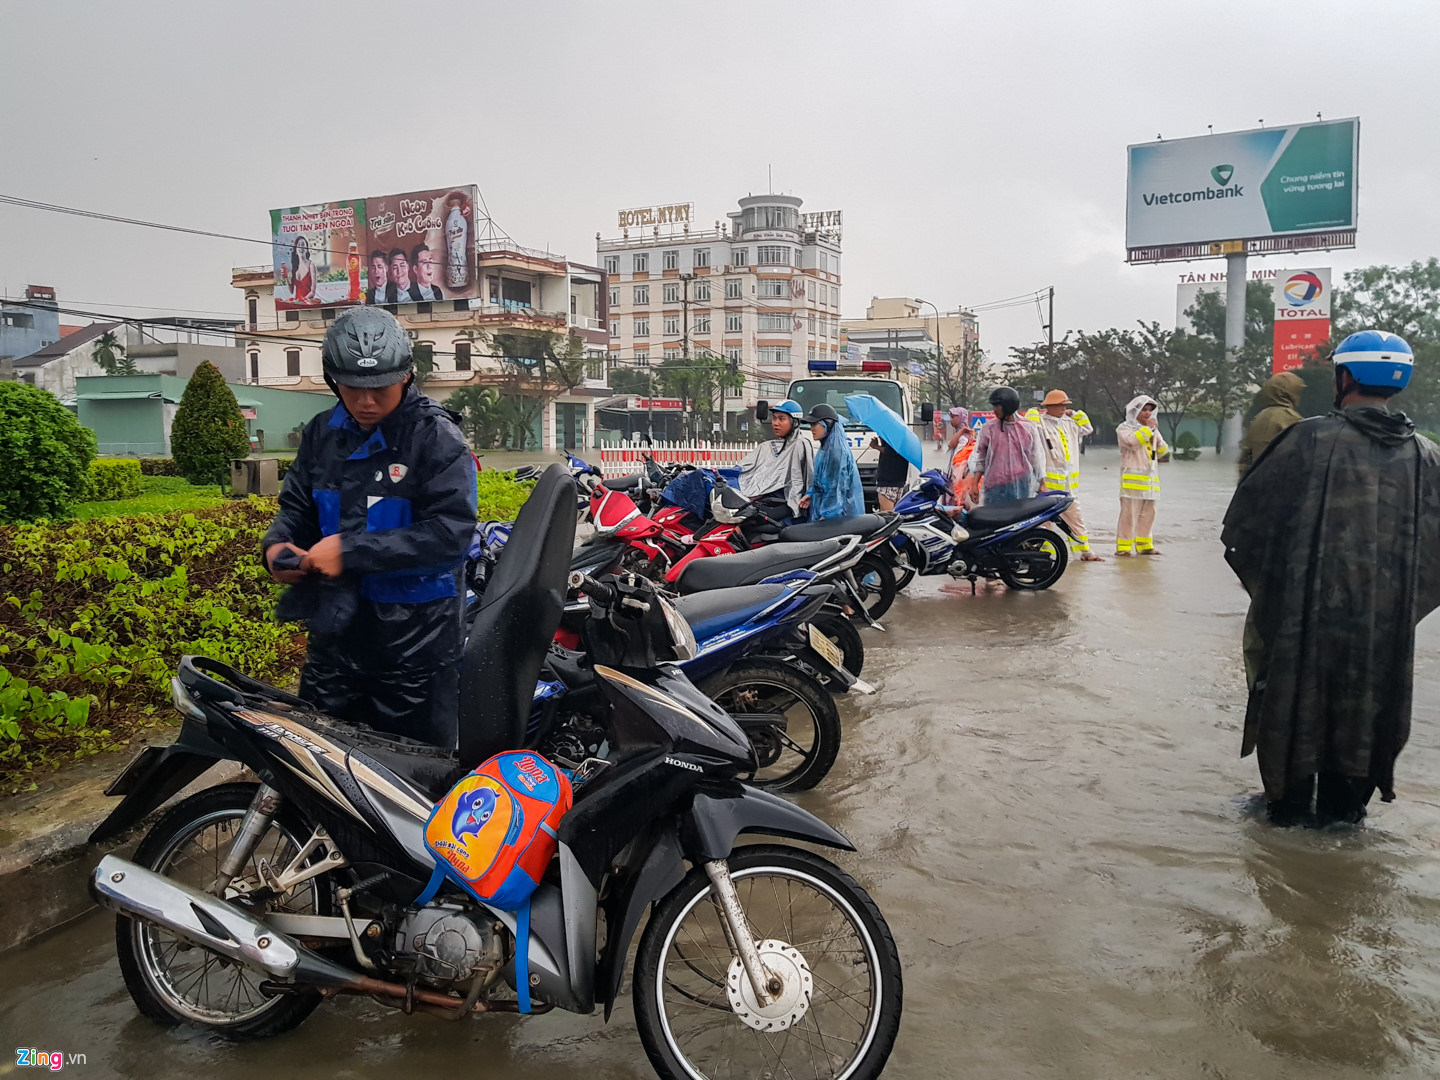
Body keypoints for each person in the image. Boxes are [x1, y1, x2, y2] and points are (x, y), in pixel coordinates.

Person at [1223, 331, 1440, 827]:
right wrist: (1399, 606)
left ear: (1344, 377)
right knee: (1369, 703)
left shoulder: (1307, 439)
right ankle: (1346, 813)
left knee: (1293, 698)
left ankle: (1288, 809)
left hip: (1304, 617)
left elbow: (1247, 526)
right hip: (1382, 628)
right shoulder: (1428, 456)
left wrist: (1274, 592)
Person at [262, 306, 478, 748]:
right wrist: (278, 545)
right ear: (332, 381)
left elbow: (449, 535)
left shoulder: (436, 438)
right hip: (335, 645)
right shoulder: (322, 434)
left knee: (414, 775)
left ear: (406, 377)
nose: (365, 401)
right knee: (322, 765)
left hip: (415, 652)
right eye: (352, 388)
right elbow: (297, 508)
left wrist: (349, 552)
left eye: (380, 388)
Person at [1031, 390, 1102, 562]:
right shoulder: (1040, 424)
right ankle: (1043, 554)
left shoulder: (1069, 423)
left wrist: (1076, 414)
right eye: (1060, 405)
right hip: (1048, 484)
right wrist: (1034, 412)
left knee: (1075, 517)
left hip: (1068, 484)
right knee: (1045, 522)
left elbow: (1088, 428)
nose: (1063, 408)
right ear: (1049, 406)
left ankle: (1085, 551)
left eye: (1065, 405)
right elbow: (1029, 427)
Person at [968, 386, 1045, 506]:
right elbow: (980, 459)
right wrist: (974, 485)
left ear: (1009, 405)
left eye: (997, 406)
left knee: (1020, 515)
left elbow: (1036, 457)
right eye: (993, 406)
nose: (994, 410)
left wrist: (1042, 483)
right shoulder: (988, 429)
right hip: (994, 487)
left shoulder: (1028, 428)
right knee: (994, 516)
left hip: (1022, 484)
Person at [736, 399, 814, 519]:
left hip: (785, 502)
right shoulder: (770, 446)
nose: (776, 423)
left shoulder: (800, 444)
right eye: (774, 418)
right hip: (768, 498)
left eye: (781, 419)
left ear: (794, 422)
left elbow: (796, 481)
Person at [1115, 395, 1168, 556]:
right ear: (1135, 411)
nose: (1147, 413)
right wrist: (1148, 429)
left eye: (1150, 410)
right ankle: (1123, 548)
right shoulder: (1124, 428)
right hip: (1132, 482)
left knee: (1149, 515)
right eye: (1144, 410)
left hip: (1150, 481)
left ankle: (1145, 546)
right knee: (1128, 516)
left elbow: (1163, 451)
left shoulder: (1151, 429)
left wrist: (1156, 436)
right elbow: (1132, 442)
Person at [1238, 370, 1305, 477]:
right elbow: (1301, 457)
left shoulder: (1258, 419)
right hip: (1280, 481)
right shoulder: (1291, 419)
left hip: (1256, 480)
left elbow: (1245, 459)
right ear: (1291, 393)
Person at [804, 403, 865, 519]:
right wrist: (811, 494)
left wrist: (827, 516)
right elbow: (821, 481)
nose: (811, 428)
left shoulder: (836, 453)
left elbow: (836, 490)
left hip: (839, 517)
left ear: (827, 424)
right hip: (828, 512)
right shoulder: (825, 448)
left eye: (815, 424)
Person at [871, 430, 911, 510]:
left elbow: (889, 451)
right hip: (899, 481)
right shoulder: (903, 437)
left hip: (888, 482)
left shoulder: (891, 437)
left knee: (887, 514)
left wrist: (876, 446)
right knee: (895, 512)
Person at [290, 236, 316, 305]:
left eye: (303, 245)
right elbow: (291, 291)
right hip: (296, 304)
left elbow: (313, 292)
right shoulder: (295, 269)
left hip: (307, 303)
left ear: (307, 249)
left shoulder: (311, 265)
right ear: (296, 250)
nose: (301, 247)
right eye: (298, 245)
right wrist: (286, 278)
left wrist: (302, 301)